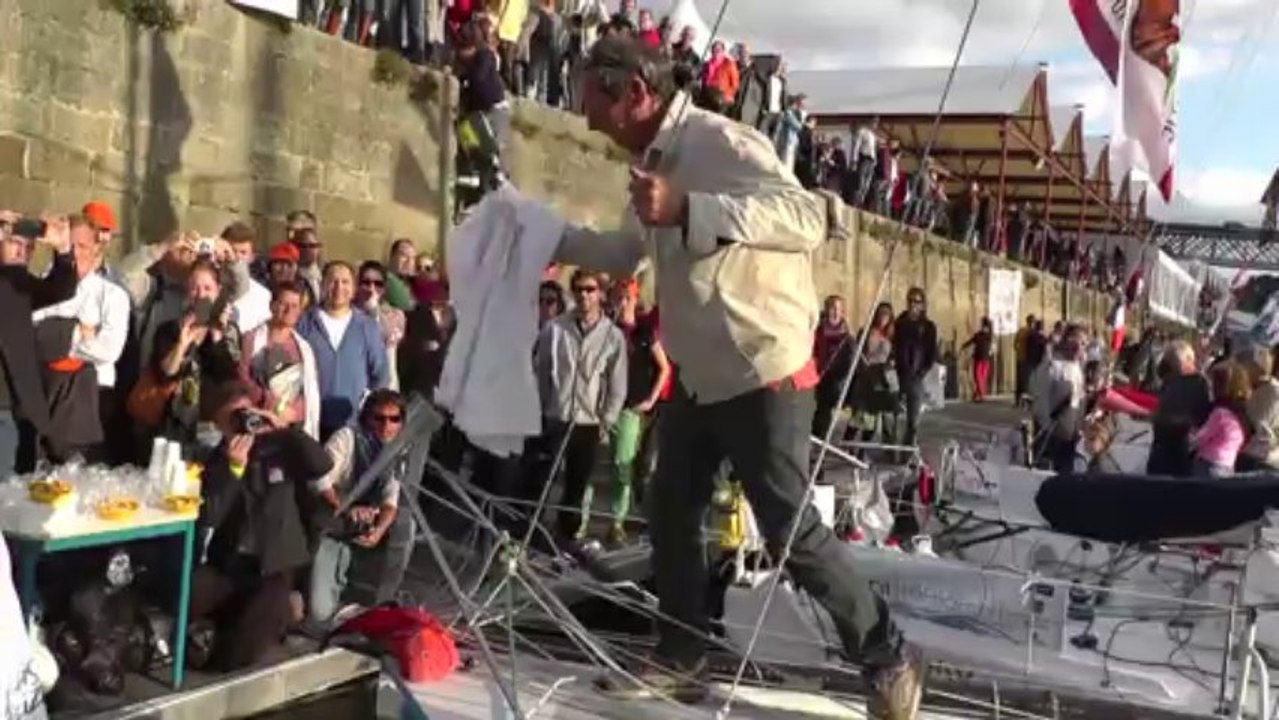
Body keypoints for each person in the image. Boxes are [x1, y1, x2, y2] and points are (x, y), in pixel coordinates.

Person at [555, 34, 921, 717]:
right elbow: (626, 248)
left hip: (762, 370)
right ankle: (682, 659)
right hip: (699, 377)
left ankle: (887, 652)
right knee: (669, 513)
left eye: (590, 100)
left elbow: (806, 217)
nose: (584, 118)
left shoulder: (717, 142)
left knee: (786, 529)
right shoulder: (654, 161)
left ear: (633, 91)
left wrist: (692, 209)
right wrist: (542, 236)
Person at [189, 380, 332, 671]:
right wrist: (233, 469)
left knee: (239, 651)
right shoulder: (215, 460)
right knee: (188, 598)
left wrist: (283, 429)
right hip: (231, 563)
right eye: (233, 419)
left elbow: (321, 464)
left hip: (273, 565)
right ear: (219, 424)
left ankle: (275, 618)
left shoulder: (279, 447)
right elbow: (210, 516)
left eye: (246, 414)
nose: (242, 425)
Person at [893, 287, 938, 448]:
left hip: (916, 374)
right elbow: (895, 345)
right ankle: (892, 448)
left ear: (923, 305)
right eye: (910, 300)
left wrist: (922, 372)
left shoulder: (928, 326)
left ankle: (908, 449)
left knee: (913, 417)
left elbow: (932, 353)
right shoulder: (900, 322)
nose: (912, 304)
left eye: (916, 301)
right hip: (899, 372)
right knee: (894, 414)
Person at [1192, 361, 1251, 478]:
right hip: (1229, 464)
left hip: (1209, 463)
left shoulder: (1220, 413)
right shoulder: (1242, 412)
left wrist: (1192, 435)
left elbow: (1202, 438)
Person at [961, 317, 994, 402]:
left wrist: (963, 346)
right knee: (982, 377)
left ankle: (981, 395)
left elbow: (970, 342)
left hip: (979, 358)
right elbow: (971, 341)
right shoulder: (989, 336)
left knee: (978, 377)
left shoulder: (979, 335)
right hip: (986, 359)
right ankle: (980, 394)